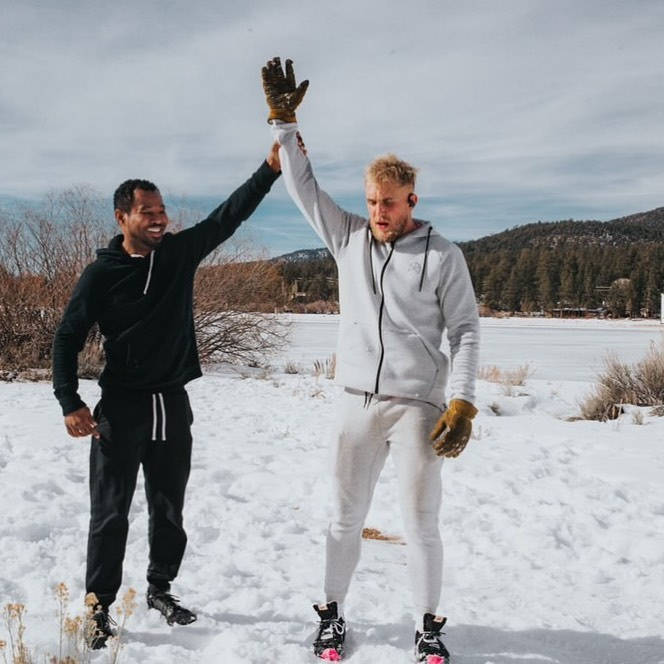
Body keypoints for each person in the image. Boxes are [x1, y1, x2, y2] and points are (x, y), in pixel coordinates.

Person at [262, 57, 480, 663]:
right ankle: (331, 616)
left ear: (411, 198)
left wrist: (462, 400)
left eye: (388, 201)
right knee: (343, 517)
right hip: (355, 404)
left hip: (417, 408)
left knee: (420, 523)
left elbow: (464, 331)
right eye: (371, 201)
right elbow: (303, 187)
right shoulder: (350, 238)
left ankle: (427, 628)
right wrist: (284, 123)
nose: (378, 211)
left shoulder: (443, 256)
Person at [52, 146, 281, 648]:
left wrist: (270, 170)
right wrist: (69, 400)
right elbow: (68, 336)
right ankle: (99, 608)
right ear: (122, 217)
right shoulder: (102, 274)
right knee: (110, 512)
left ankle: (161, 589)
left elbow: (227, 218)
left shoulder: (177, 255)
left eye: (161, 212)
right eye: (147, 213)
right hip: (122, 408)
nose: (159, 220)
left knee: (168, 506)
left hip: (172, 404)